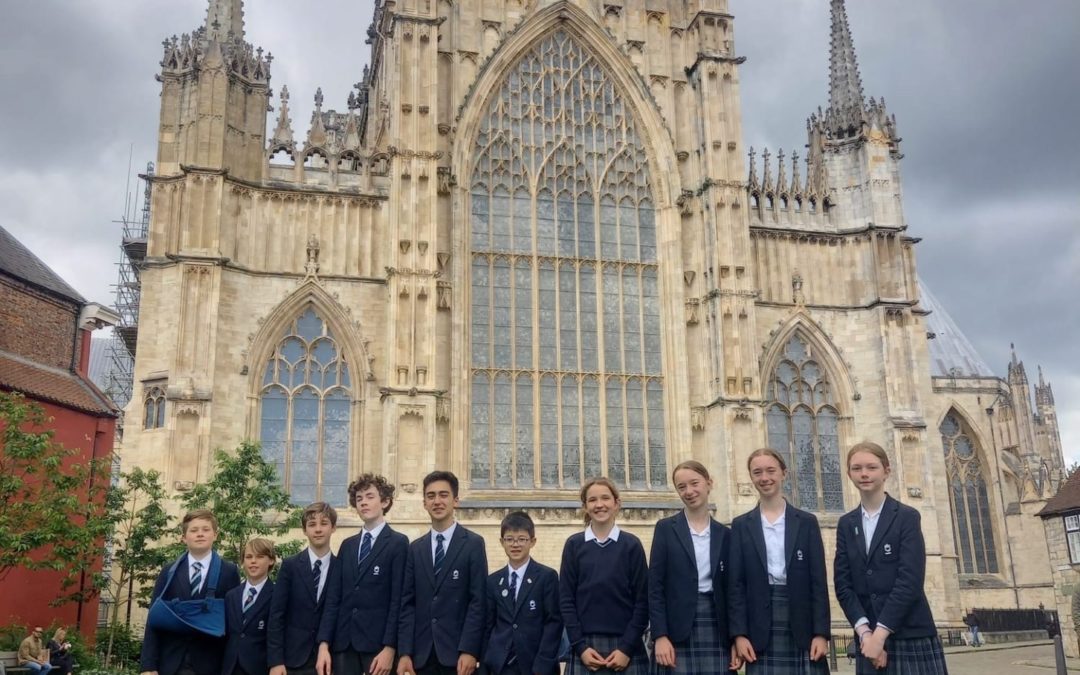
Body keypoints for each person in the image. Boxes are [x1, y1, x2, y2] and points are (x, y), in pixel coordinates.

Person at [834, 441, 949, 674]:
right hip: (867, 640)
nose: (864, 474)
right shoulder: (846, 524)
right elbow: (843, 584)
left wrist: (880, 635)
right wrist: (865, 633)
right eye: (857, 468)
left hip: (909, 633)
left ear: (886, 471)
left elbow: (910, 581)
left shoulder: (907, 517)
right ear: (849, 474)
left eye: (871, 467)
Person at [729, 448, 830, 674]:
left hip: (802, 624)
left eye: (771, 470)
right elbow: (736, 586)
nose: (764, 478)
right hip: (759, 627)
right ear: (751, 477)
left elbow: (818, 583)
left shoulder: (807, 522)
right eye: (757, 472)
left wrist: (821, 633)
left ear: (784, 473)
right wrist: (739, 635)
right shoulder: (741, 525)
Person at [649, 461, 738, 674]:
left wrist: (736, 637)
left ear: (709, 483)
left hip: (717, 625)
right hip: (675, 627)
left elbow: (733, 590)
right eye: (682, 487)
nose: (689, 491)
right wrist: (660, 635)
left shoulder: (726, 534)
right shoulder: (665, 529)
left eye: (694, 483)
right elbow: (655, 587)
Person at [397, 471, 488, 675]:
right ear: (424, 503)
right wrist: (404, 652)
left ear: (455, 500)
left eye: (443, 495)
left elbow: (478, 602)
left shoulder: (473, 544)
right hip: (422, 657)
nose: (437, 501)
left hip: (457, 656)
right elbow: (407, 604)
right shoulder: (415, 549)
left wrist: (470, 650)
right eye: (431, 496)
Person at [318, 474, 409, 675]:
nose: (363, 502)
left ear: (385, 502)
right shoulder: (347, 546)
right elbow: (334, 598)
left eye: (370, 496)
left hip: (378, 647)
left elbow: (398, 600)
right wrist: (324, 644)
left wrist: (390, 647)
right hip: (344, 645)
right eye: (359, 498)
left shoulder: (398, 543)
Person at [560, 477, 650, 675]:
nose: (599, 504)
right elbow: (566, 601)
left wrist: (626, 648)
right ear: (585, 506)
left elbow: (643, 601)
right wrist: (580, 647)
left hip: (627, 649)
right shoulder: (574, 545)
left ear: (617, 503)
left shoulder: (631, 545)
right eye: (592, 500)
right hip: (585, 649)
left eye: (605, 498)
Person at [141, 509, 243, 675]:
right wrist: (148, 666)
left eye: (206, 529)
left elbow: (234, 624)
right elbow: (154, 620)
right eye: (194, 530)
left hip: (212, 664)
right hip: (171, 663)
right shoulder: (169, 571)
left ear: (215, 535)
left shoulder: (229, 572)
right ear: (183, 537)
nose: (200, 534)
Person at [482, 511, 562, 675]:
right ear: (502, 542)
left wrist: (543, 664)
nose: (515, 544)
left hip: (535, 665)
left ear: (532, 541)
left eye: (522, 539)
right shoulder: (493, 581)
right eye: (509, 539)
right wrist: (485, 665)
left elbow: (554, 623)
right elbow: (488, 625)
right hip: (500, 666)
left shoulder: (547, 577)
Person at [268, 502, 338, 675]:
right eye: (312, 524)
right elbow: (276, 615)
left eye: (324, 523)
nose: (318, 529)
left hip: (329, 660)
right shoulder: (290, 566)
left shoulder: (341, 567)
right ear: (304, 530)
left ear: (333, 528)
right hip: (293, 660)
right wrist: (276, 662)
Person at [222, 538, 277, 675]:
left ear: (271, 560)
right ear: (242, 562)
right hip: (231, 668)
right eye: (248, 557)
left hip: (261, 667)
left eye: (260, 557)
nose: (253, 561)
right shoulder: (231, 595)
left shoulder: (277, 595)